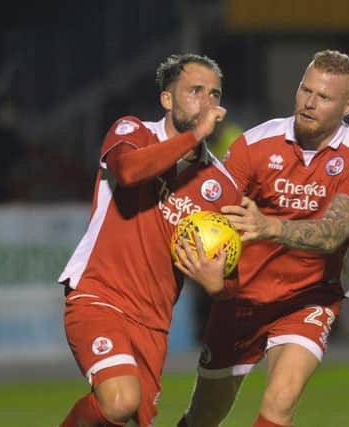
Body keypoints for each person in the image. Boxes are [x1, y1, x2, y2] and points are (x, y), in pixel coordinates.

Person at [177, 49, 349, 427]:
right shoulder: (255, 143)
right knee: (205, 416)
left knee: (280, 404)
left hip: (308, 297)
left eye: (324, 97)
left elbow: (332, 234)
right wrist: (207, 269)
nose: (308, 103)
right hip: (241, 294)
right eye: (305, 90)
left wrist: (270, 226)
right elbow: (211, 215)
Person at [57, 53, 241, 427]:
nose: (206, 101)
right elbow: (127, 172)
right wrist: (193, 136)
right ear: (167, 99)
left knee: (127, 413)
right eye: (195, 90)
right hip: (99, 295)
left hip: (154, 324)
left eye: (214, 94)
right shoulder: (133, 132)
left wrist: (218, 285)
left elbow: (235, 278)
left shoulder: (221, 187)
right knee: (121, 400)